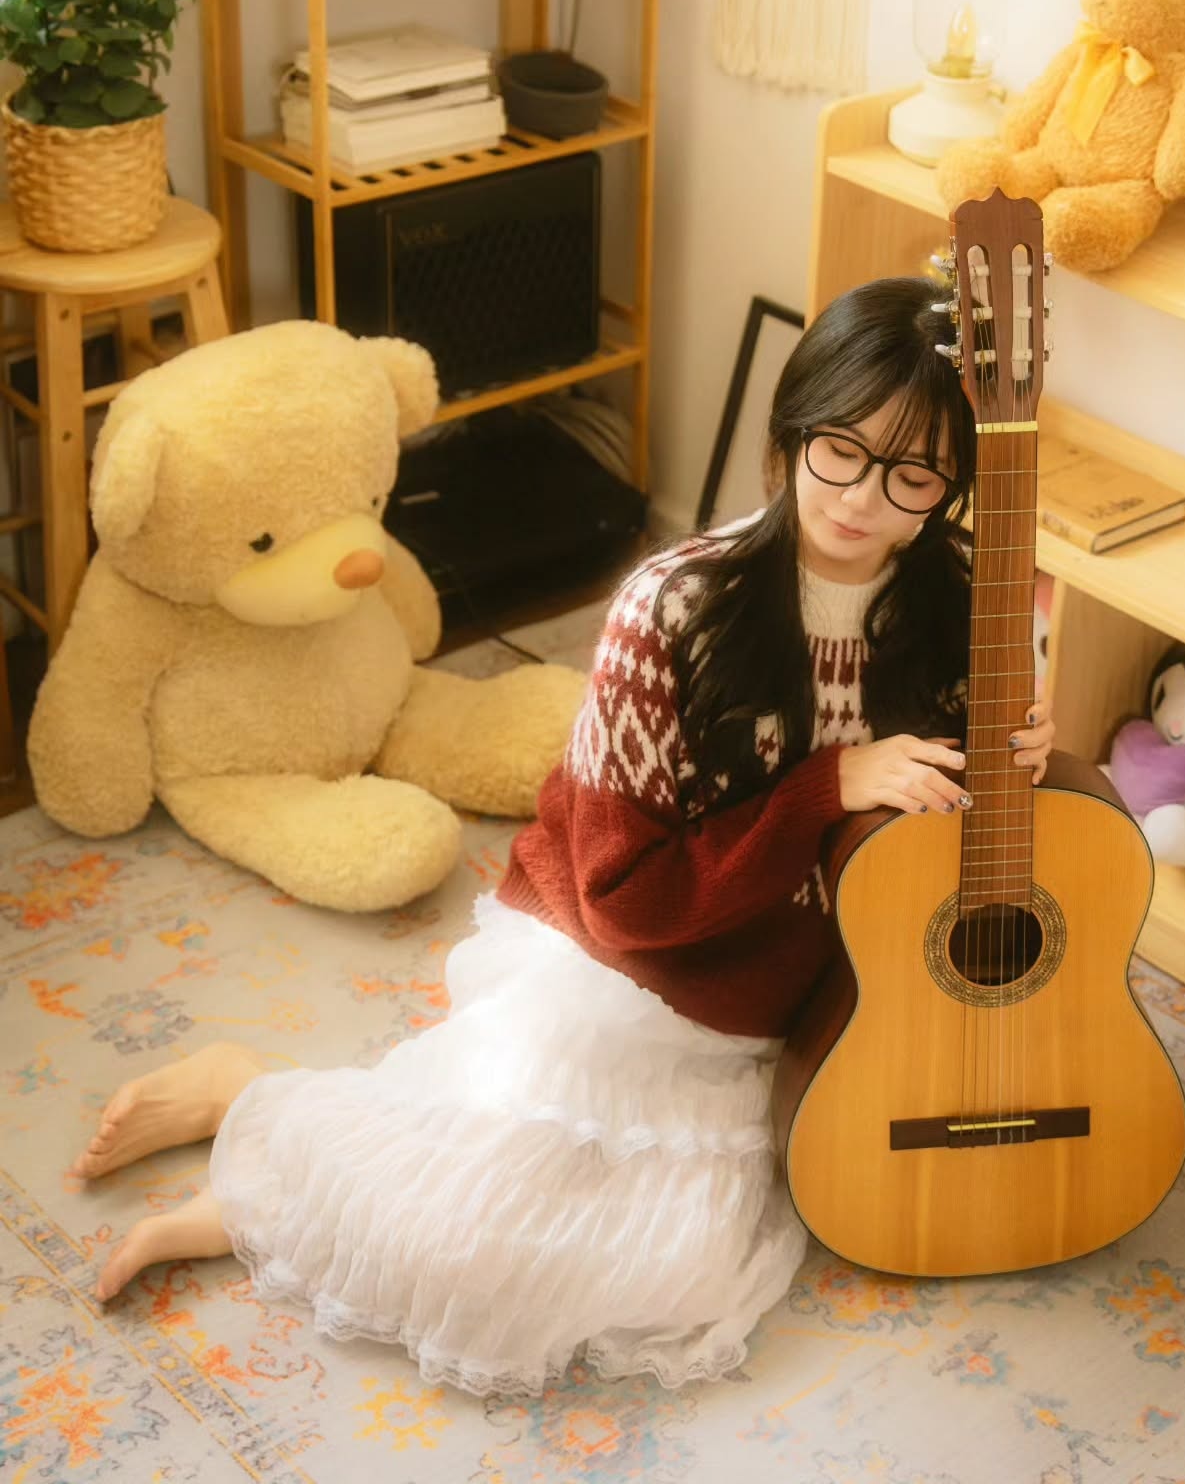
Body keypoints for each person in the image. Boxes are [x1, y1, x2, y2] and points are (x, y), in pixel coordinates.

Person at [74, 277, 1056, 1396]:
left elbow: (940, 845)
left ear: (953, 487)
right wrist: (824, 787)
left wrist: (1019, 761)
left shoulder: (963, 604)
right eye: (841, 449)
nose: (864, 497)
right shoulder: (673, 608)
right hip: (621, 966)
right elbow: (625, 899)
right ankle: (250, 1103)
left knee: (672, 1272)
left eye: (913, 473)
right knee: (482, 1248)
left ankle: (286, 1135)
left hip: (796, 1006)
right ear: (792, 432)